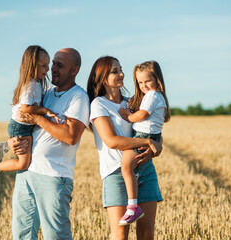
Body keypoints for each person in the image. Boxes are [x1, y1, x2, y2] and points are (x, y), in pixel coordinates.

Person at [8, 48, 89, 239]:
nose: (53, 68)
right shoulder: (45, 91)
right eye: (53, 63)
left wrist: (37, 118)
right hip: (26, 173)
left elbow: (71, 135)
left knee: (56, 236)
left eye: (59, 65)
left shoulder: (79, 97)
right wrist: (12, 142)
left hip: (54, 177)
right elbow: (22, 121)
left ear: (74, 70)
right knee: (22, 235)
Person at [87, 56, 163, 240]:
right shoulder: (98, 104)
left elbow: (153, 130)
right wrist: (146, 143)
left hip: (145, 170)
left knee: (147, 234)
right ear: (103, 78)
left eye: (120, 69)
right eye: (115, 71)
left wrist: (158, 146)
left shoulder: (132, 102)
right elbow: (112, 141)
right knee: (120, 235)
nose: (121, 74)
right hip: (116, 173)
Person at [0, 45, 58, 191]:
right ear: (32, 66)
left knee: (27, 154)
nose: (48, 69)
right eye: (44, 66)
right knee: (23, 164)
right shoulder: (30, 85)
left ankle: (5, 146)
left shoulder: (36, 84)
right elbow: (25, 108)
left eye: (48, 65)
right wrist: (45, 110)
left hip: (23, 126)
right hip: (20, 126)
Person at [118, 61, 170, 225]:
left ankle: (133, 206)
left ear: (157, 80)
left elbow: (142, 115)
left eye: (147, 81)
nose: (144, 85)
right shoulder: (157, 97)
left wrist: (126, 116)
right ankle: (133, 205)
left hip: (143, 134)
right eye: (140, 82)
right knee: (132, 167)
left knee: (126, 167)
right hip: (152, 135)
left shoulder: (152, 95)